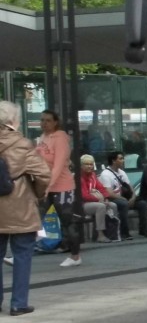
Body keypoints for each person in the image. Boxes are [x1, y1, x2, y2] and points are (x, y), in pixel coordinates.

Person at [0, 100, 52, 315]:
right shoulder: (22, 144)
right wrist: (37, 194)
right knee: (22, 255)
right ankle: (18, 303)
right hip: (20, 206)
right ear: (13, 121)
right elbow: (43, 174)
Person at [35, 109, 82, 268]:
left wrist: (47, 186)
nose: (44, 124)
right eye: (42, 120)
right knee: (35, 218)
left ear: (55, 122)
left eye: (48, 120)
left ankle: (75, 256)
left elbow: (58, 165)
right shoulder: (43, 138)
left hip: (62, 186)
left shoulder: (60, 138)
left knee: (67, 221)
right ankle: (24, 252)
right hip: (45, 185)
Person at [79, 154, 119, 242]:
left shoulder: (93, 175)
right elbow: (84, 195)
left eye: (91, 164)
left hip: (96, 200)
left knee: (113, 205)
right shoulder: (79, 177)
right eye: (86, 164)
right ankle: (100, 235)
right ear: (81, 166)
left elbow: (101, 188)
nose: (89, 166)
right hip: (82, 204)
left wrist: (106, 198)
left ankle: (113, 232)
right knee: (101, 207)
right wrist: (99, 200)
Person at [98, 151, 135, 241]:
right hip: (113, 199)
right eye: (121, 158)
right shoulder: (106, 174)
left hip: (125, 197)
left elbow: (130, 187)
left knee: (142, 204)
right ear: (113, 161)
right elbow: (109, 193)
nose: (123, 160)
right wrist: (124, 199)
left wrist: (133, 197)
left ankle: (143, 230)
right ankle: (124, 232)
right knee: (123, 204)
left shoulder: (122, 172)